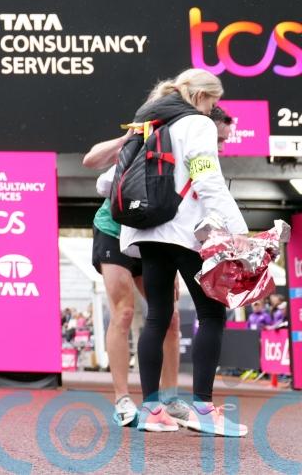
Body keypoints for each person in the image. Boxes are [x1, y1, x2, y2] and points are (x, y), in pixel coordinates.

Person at [98, 69, 248, 436]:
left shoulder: (145, 123)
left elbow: (106, 183)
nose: (212, 109)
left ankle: (152, 411)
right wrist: (239, 233)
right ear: (200, 97)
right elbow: (207, 179)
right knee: (211, 314)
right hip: (185, 232)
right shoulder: (197, 124)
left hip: (146, 232)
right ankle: (203, 410)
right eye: (212, 102)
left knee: (157, 316)